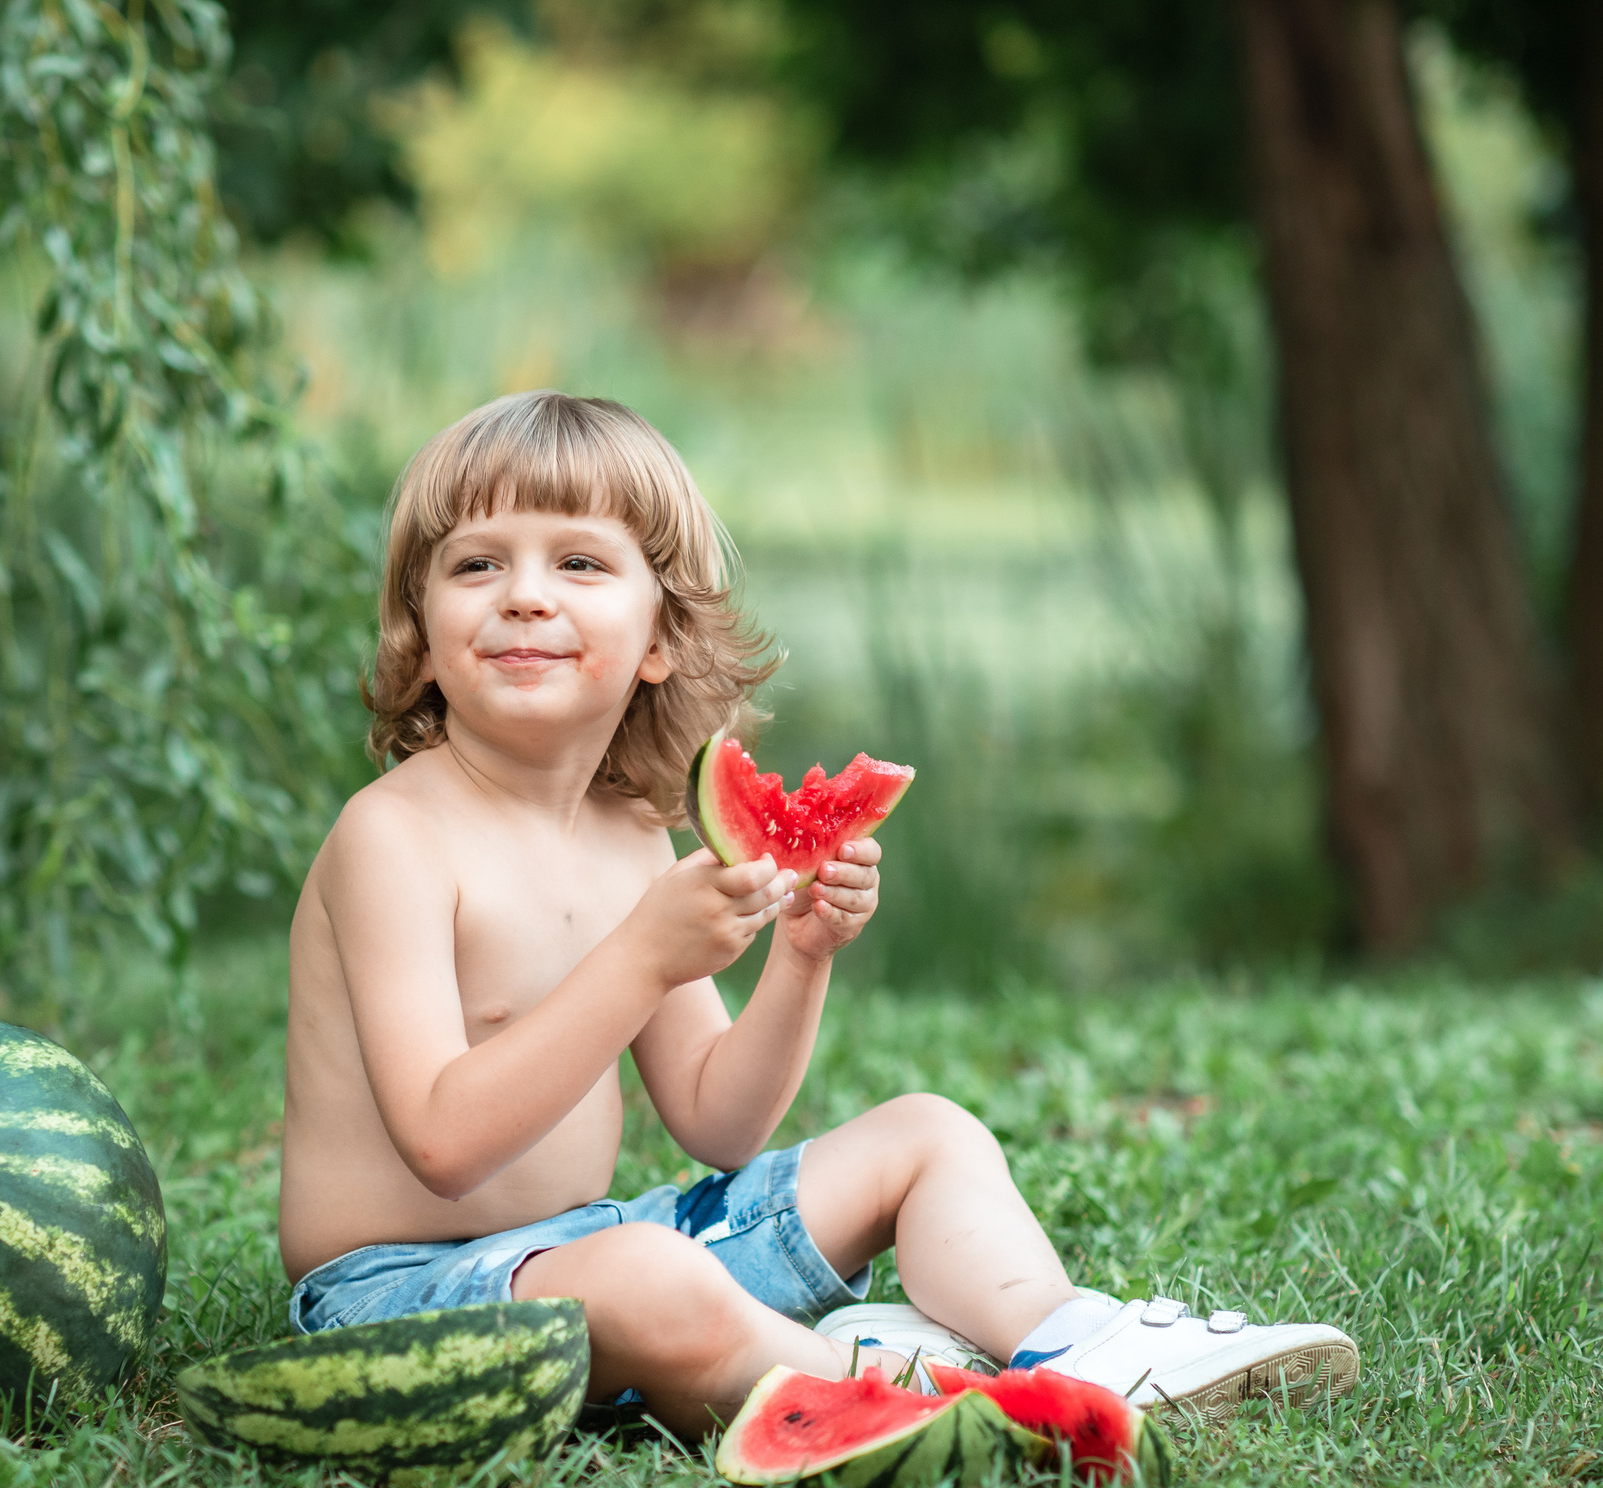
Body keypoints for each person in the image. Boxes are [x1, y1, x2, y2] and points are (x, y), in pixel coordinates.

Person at [278, 390, 1358, 1435]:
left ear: (657, 640)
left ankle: (1069, 1336)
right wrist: (641, 959)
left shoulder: (628, 836)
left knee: (926, 1133)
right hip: (398, 1293)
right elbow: (443, 1141)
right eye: (476, 563)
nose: (522, 593)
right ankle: (930, 1392)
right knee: (650, 1274)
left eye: (577, 562)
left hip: (592, 1245)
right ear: (418, 630)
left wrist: (801, 956)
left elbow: (719, 1119)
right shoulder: (394, 837)